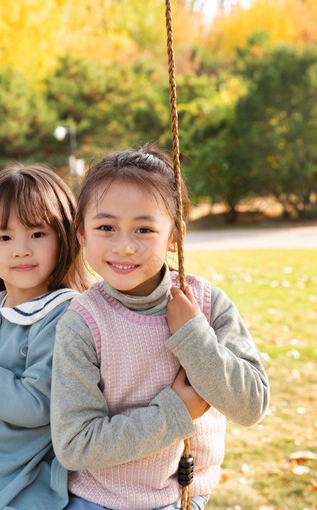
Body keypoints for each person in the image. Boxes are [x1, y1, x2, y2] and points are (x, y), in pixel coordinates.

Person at [51, 145, 270, 510]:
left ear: (174, 237)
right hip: (99, 501)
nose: (124, 246)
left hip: (186, 498)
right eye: (106, 227)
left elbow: (251, 406)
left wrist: (193, 336)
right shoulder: (83, 323)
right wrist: (176, 412)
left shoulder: (206, 305)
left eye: (144, 228)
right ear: (82, 233)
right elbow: (76, 444)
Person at [0, 164, 91, 510]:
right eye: (4, 237)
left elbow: (37, 406)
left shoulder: (65, 315)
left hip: (24, 484)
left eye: (38, 234)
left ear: (66, 236)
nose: (21, 250)